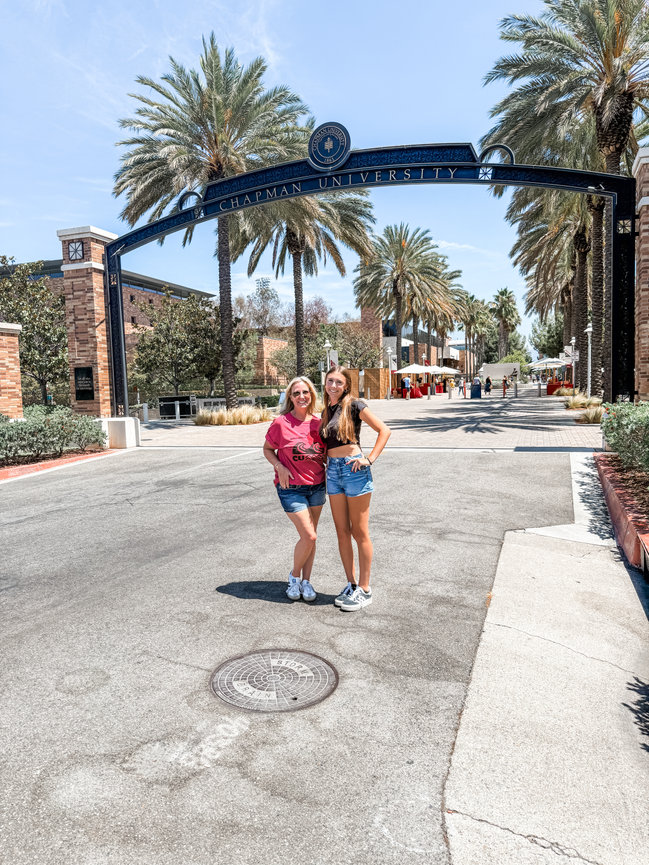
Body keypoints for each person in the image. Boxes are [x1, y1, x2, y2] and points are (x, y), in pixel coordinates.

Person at [321, 366, 391, 612]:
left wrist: (369, 459)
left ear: (346, 385)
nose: (333, 386)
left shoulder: (355, 405)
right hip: (332, 472)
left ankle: (365, 588)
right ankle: (351, 584)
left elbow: (384, 430)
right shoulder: (326, 408)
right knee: (342, 531)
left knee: (360, 532)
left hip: (353, 470)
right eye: (330, 381)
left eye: (338, 382)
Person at [263, 377, 326, 602]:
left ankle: (307, 582)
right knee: (308, 535)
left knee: (312, 538)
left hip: (317, 487)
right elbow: (268, 449)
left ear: (312, 395)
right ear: (290, 397)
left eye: (306, 392)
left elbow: (327, 453)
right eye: (297, 393)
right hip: (291, 488)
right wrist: (278, 466)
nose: (302, 396)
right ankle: (294, 576)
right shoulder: (281, 423)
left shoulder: (319, 424)